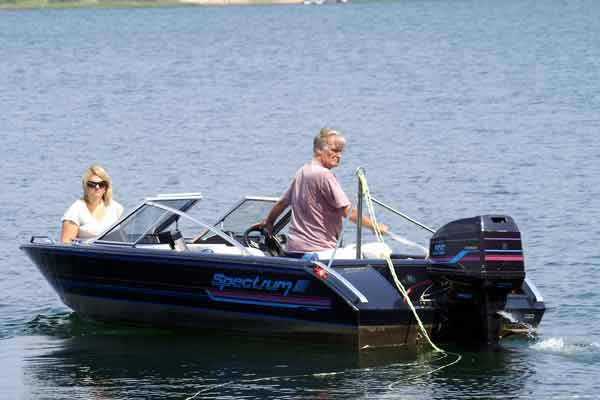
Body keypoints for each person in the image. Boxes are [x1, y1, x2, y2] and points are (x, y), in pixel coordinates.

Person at [256, 128, 387, 256]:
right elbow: (347, 211)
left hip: (294, 249)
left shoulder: (303, 171)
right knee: (377, 251)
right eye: (334, 150)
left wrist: (269, 223)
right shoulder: (325, 175)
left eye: (340, 152)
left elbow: (282, 203)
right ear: (319, 150)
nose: (339, 155)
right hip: (320, 250)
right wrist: (374, 227)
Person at [60, 165, 124, 243]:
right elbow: (66, 243)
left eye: (102, 184)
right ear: (85, 187)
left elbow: (124, 239)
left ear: (106, 187)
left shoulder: (117, 208)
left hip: (113, 250)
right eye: (92, 184)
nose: (97, 187)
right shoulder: (75, 210)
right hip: (86, 250)